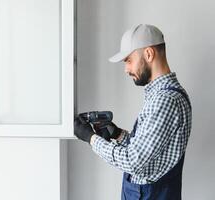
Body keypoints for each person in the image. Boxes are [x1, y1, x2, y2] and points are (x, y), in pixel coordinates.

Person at [74, 24, 192, 200]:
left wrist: (91, 138)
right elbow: (149, 155)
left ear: (149, 54)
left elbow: (134, 162)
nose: (126, 69)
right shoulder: (160, 95)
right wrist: (118, 134)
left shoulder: (165, 100)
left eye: (129, 60)